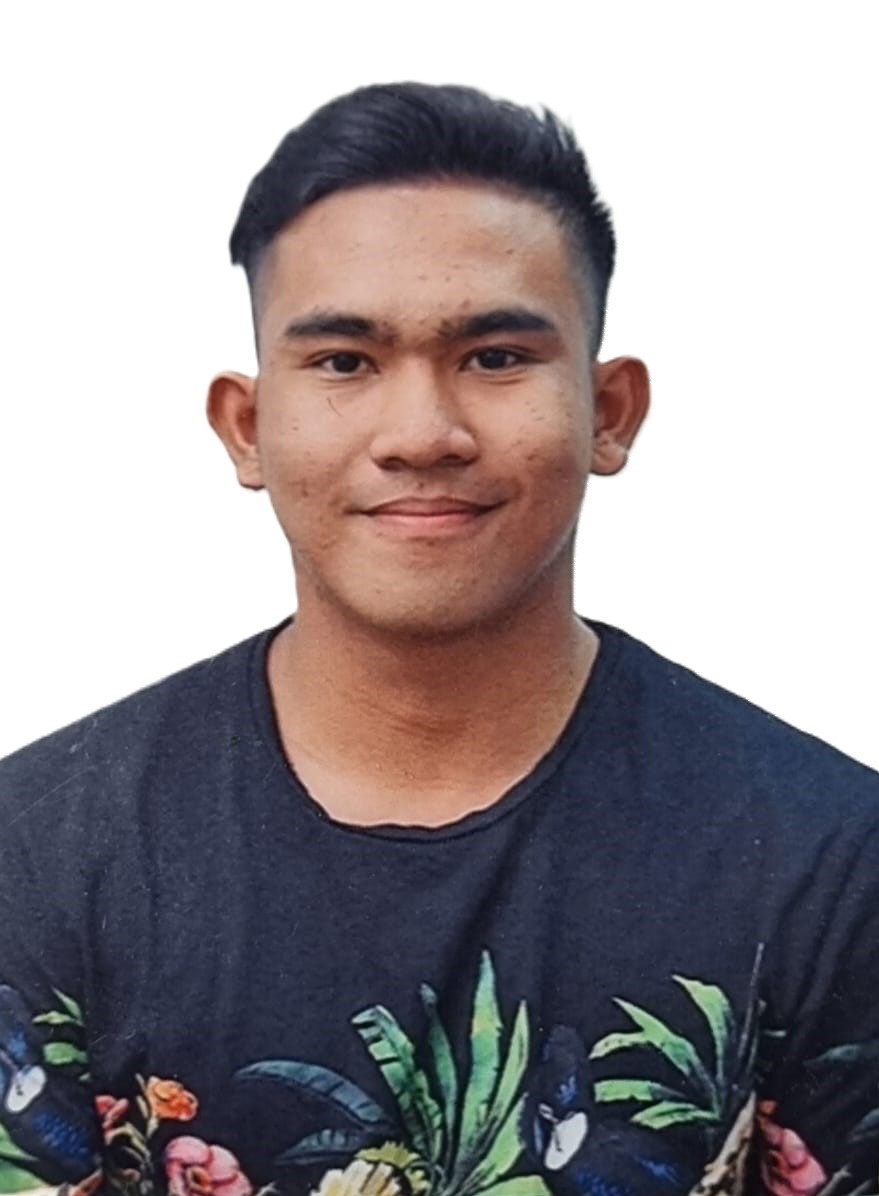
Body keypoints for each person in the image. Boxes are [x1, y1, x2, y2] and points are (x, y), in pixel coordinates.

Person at [1, 81, 877, 1196]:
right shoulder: (38, 855)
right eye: (344, 361)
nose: (422, 434)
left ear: (608, 412)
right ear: (248, 425)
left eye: (496, 355)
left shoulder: (829, 860)